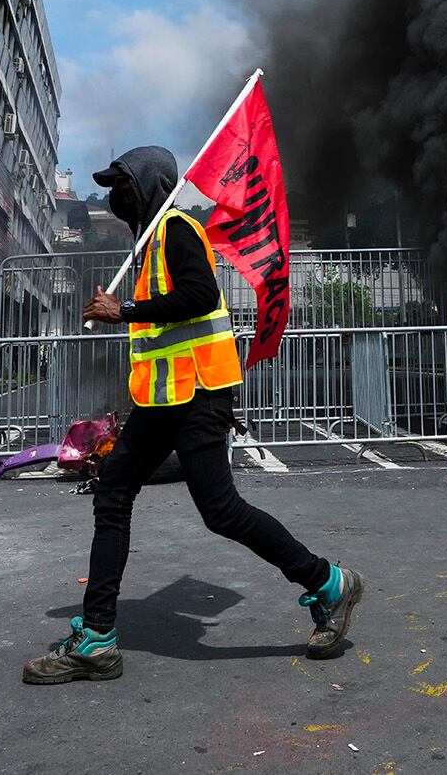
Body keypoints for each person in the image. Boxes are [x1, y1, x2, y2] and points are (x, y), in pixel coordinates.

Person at [24, 146, 363, 685]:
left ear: (151, 187)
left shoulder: (177, 227)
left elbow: (201, 296)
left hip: (200, 395)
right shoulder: (149, 239)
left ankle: (328, 582)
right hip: (164, 401)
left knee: (221, 511)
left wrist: (125, 310)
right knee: (113, 492)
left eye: (124, 185)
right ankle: (97, 637)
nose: (115, 195)